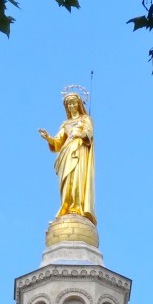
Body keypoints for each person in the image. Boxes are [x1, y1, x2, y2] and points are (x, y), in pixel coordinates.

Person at [38, 92, 96, 224]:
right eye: (69, 103)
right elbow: (58, 143)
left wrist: (80, 134)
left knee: (77, 179)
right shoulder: (65, 124)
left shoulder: (85, 119)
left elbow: (89, 133)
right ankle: (67, 205)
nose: (71, 105)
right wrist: (48, 137)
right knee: (66, 180)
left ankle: (77, 207)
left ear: (79, 104)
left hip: (79, 150)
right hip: (66, 152)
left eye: (74, 102)